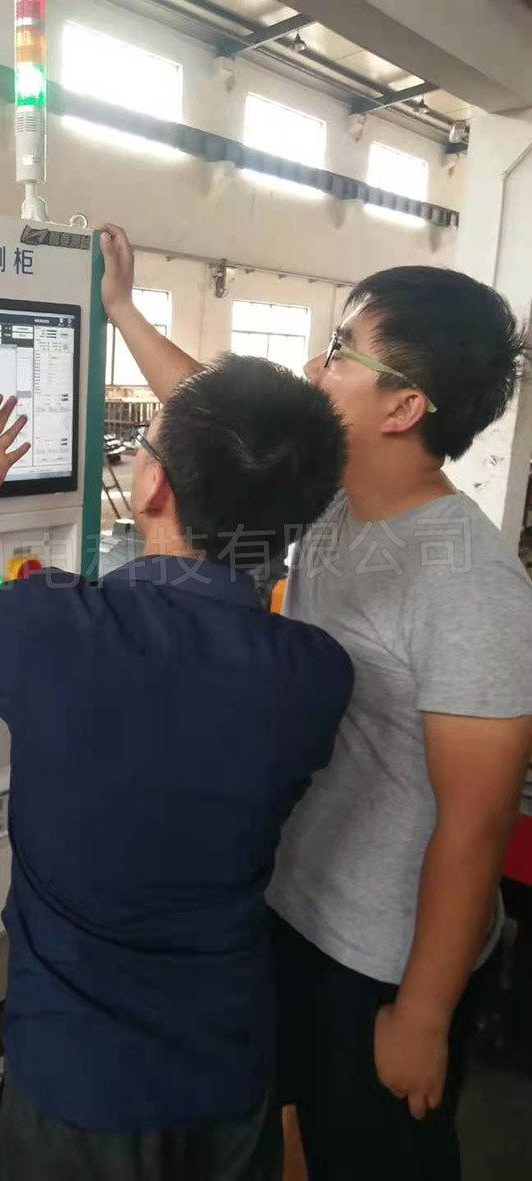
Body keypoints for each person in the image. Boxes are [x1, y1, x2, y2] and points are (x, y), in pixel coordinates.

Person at [98, 222, 532, 1181]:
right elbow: (216, 413)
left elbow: (476, 822)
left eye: (341, 351)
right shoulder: (336, 495)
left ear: (404, 406)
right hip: (295, 899)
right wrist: (122, 308)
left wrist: (423, 1012)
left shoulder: (472, 587)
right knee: (292, 1128)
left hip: (383, 957)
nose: (312, 365)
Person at [0, 357, 353, 1180]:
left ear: (154, 486)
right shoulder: (316, 672)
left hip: (79, 1085)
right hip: (230, 1072)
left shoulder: (54, 630)